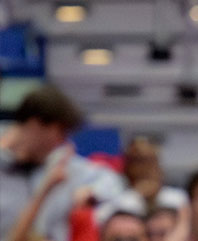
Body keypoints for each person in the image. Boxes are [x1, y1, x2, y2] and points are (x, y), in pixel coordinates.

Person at [0, 86, 125, 241]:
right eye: (61, 132)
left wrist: (92, 194)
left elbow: (113, 182)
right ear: (35, 124)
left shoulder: (59, 165)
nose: (62, 142)